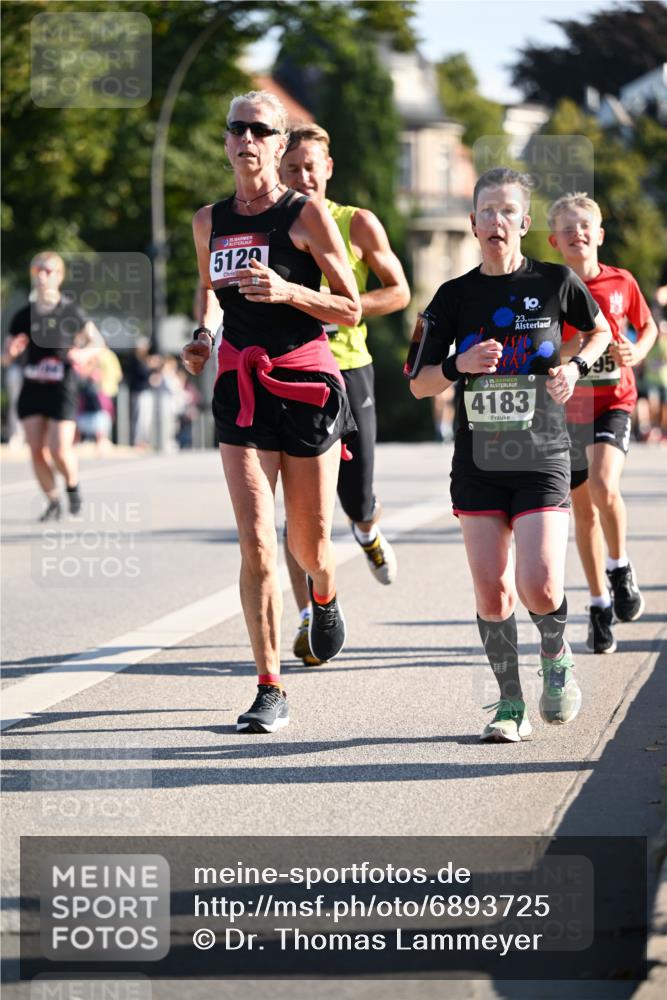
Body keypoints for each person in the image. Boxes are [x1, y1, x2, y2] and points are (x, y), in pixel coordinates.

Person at [410, 167, 611, 743]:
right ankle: (508, 703)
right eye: (486, 211)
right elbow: (417, 382)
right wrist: (457, 365)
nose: (496, 221)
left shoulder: (556, 281)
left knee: (541, 583)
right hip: (478, 463)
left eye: (507, 211)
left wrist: (573, 366)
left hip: (544, 451)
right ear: (472, 223)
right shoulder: (453, 297)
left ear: (524, 222)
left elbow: (597, 332)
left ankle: (557, 652)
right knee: (492, 590)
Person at [181, 91, 361, 734]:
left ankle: (324, 591)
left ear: (280, 145)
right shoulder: (209, 221)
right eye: (237, 128)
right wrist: (203, 339)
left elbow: (352, 306)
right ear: (227, 141)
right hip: (241, 387)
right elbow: (208, 297)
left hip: (307, 382)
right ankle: (269, 684)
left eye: (261, 129)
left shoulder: (305, 213)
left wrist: (289, 290)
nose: (247, 139)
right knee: (257, 540)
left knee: (306, 541)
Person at [279, 123, 410, 664]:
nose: (303, 177)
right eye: (292, 169)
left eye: (311, 166)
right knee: (299, 509)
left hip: (349, 367)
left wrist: (339, 307)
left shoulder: (356, 223)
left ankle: (367, 526)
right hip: (292, 371)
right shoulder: (271, 225)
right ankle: (312, 613)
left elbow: (399, 291)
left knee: (353, 498)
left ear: (328, 168)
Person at [547, 193, 657, 653]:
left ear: (599, 235)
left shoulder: (621, 281)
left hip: (615, 399)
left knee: (604, 486)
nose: (578, 234)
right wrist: (583, 349)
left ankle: (619, 565)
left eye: (585, 226)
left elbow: (647, 326)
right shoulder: (550, 288)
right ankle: (598, 605)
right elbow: (543, 349)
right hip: (569, 409)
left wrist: (637, 350)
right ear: (554, 241)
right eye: (568, 229)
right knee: (584, 510)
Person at [1, 251, 99, 520]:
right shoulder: (23, 315)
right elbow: (6, 357)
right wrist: (10, 351)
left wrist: (82, 354)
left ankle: (71, 486)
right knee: (36, 450)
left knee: (58, 448)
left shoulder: (70, 311)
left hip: (61, 386)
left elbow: (97, 343)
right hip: (32, 385)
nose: (42, 276)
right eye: (37, 271)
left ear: (59, 276)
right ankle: (53, 501)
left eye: (48, 271)